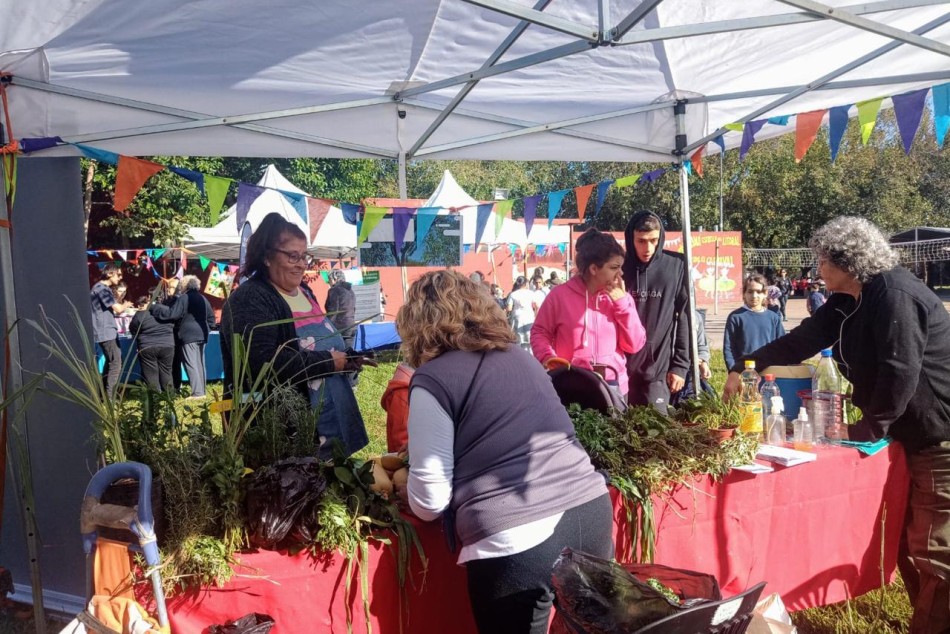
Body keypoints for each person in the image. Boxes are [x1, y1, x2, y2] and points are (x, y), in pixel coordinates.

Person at [721, 216, 950, 633]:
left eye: (821, 261)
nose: (817, 270)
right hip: (908, 433)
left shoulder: (894, 294)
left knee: (934, 550)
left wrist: (868, 429)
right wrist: (743, 366)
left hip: (938, 437)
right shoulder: (850, 299)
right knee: (907, 540)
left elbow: (901, 371)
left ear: (846, 261)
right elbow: (802, 339)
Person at [397, 270, 612, 634]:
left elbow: (429, 500)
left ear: (417, 324)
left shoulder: (431, 379)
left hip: (518, 540)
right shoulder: (520, 356)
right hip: (590, 512)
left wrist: (405, 489)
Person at [220, 213, 372, 458]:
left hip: (331, 422)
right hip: (282, 430)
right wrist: (328, 362)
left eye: (304, 256)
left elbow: (314, 344)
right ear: (267, 256)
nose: (302, 264)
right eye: (293, 256)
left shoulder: (304, 291)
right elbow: (264, 364)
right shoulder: (250, 299)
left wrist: (347, 359)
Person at [530, 228, 646, 398]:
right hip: (570, 383)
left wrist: (622, 306)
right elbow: (539, 332)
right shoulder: (559, 295)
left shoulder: (622, 298)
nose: (620, 273)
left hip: (613, 384)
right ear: (594, 269)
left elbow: (634, 345)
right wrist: (548, 357)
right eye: (614, 267)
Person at [621, 210, 689, 413]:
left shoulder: (676, 265)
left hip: (657, 371)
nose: (647, 248)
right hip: (621, 370)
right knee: (619, 435)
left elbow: (684, 317)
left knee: (657, 436)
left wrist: (680, 366)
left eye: (653, 240)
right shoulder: (619, 266)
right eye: (641, 241)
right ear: (630, 238)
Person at [150, 275, 215, 398]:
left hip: (188, 334)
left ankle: (197, 393)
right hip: (202, 334)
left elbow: (172, 314)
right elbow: (211, 318)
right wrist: (207, 329)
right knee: (200, 363)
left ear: (184, 286)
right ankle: (202, 391)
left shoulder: (184, 298)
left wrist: (155, 308)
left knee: (191, 363)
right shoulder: (203, 298)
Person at [722, 274, 785, 371]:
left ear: (765, 293)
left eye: (759, 292)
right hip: (744, 371)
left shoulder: (773, 318)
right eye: (750, 292)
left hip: (769, 371)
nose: (754, 296)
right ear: (744, 293)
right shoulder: (736, 317)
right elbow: (729, 347)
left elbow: (781, 345)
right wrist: (733, 370)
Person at [90, 264, 131, 398]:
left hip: (106, 330)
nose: (120, 278)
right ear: (109, 274)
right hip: (105, 331)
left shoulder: (101, 288)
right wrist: (126, 304)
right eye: (118, 275)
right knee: (116, 363)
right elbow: (118, 309)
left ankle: (103, 395)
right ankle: (110, 397)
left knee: (111, 361)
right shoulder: (102, 289)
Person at [128, 295, 175, 392]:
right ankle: (169, 395)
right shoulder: (167, 311)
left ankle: (155, 395)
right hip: (167, 344)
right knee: (166, 371)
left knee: (150, 373)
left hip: (147, 346)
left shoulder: (140, 314)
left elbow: (133, 329)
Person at [325, 269, 357, 349]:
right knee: (349, 354)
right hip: (351, 325)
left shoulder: (334, 290)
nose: (329, 282)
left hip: (339, 327)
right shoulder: (350, 290)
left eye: (329, 280)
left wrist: (327, 326)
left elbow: (333, 311)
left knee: (338, 354)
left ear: (334, 279)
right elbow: (353, 309)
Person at [506, 276, 537, 350]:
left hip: (517, 317)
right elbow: (536, 306)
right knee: (529, 337)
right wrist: (536, 315)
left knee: (518, 338)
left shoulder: (513, 294)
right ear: (526, 283)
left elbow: (509, 308)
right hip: (529, 316)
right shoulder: (531, 293)